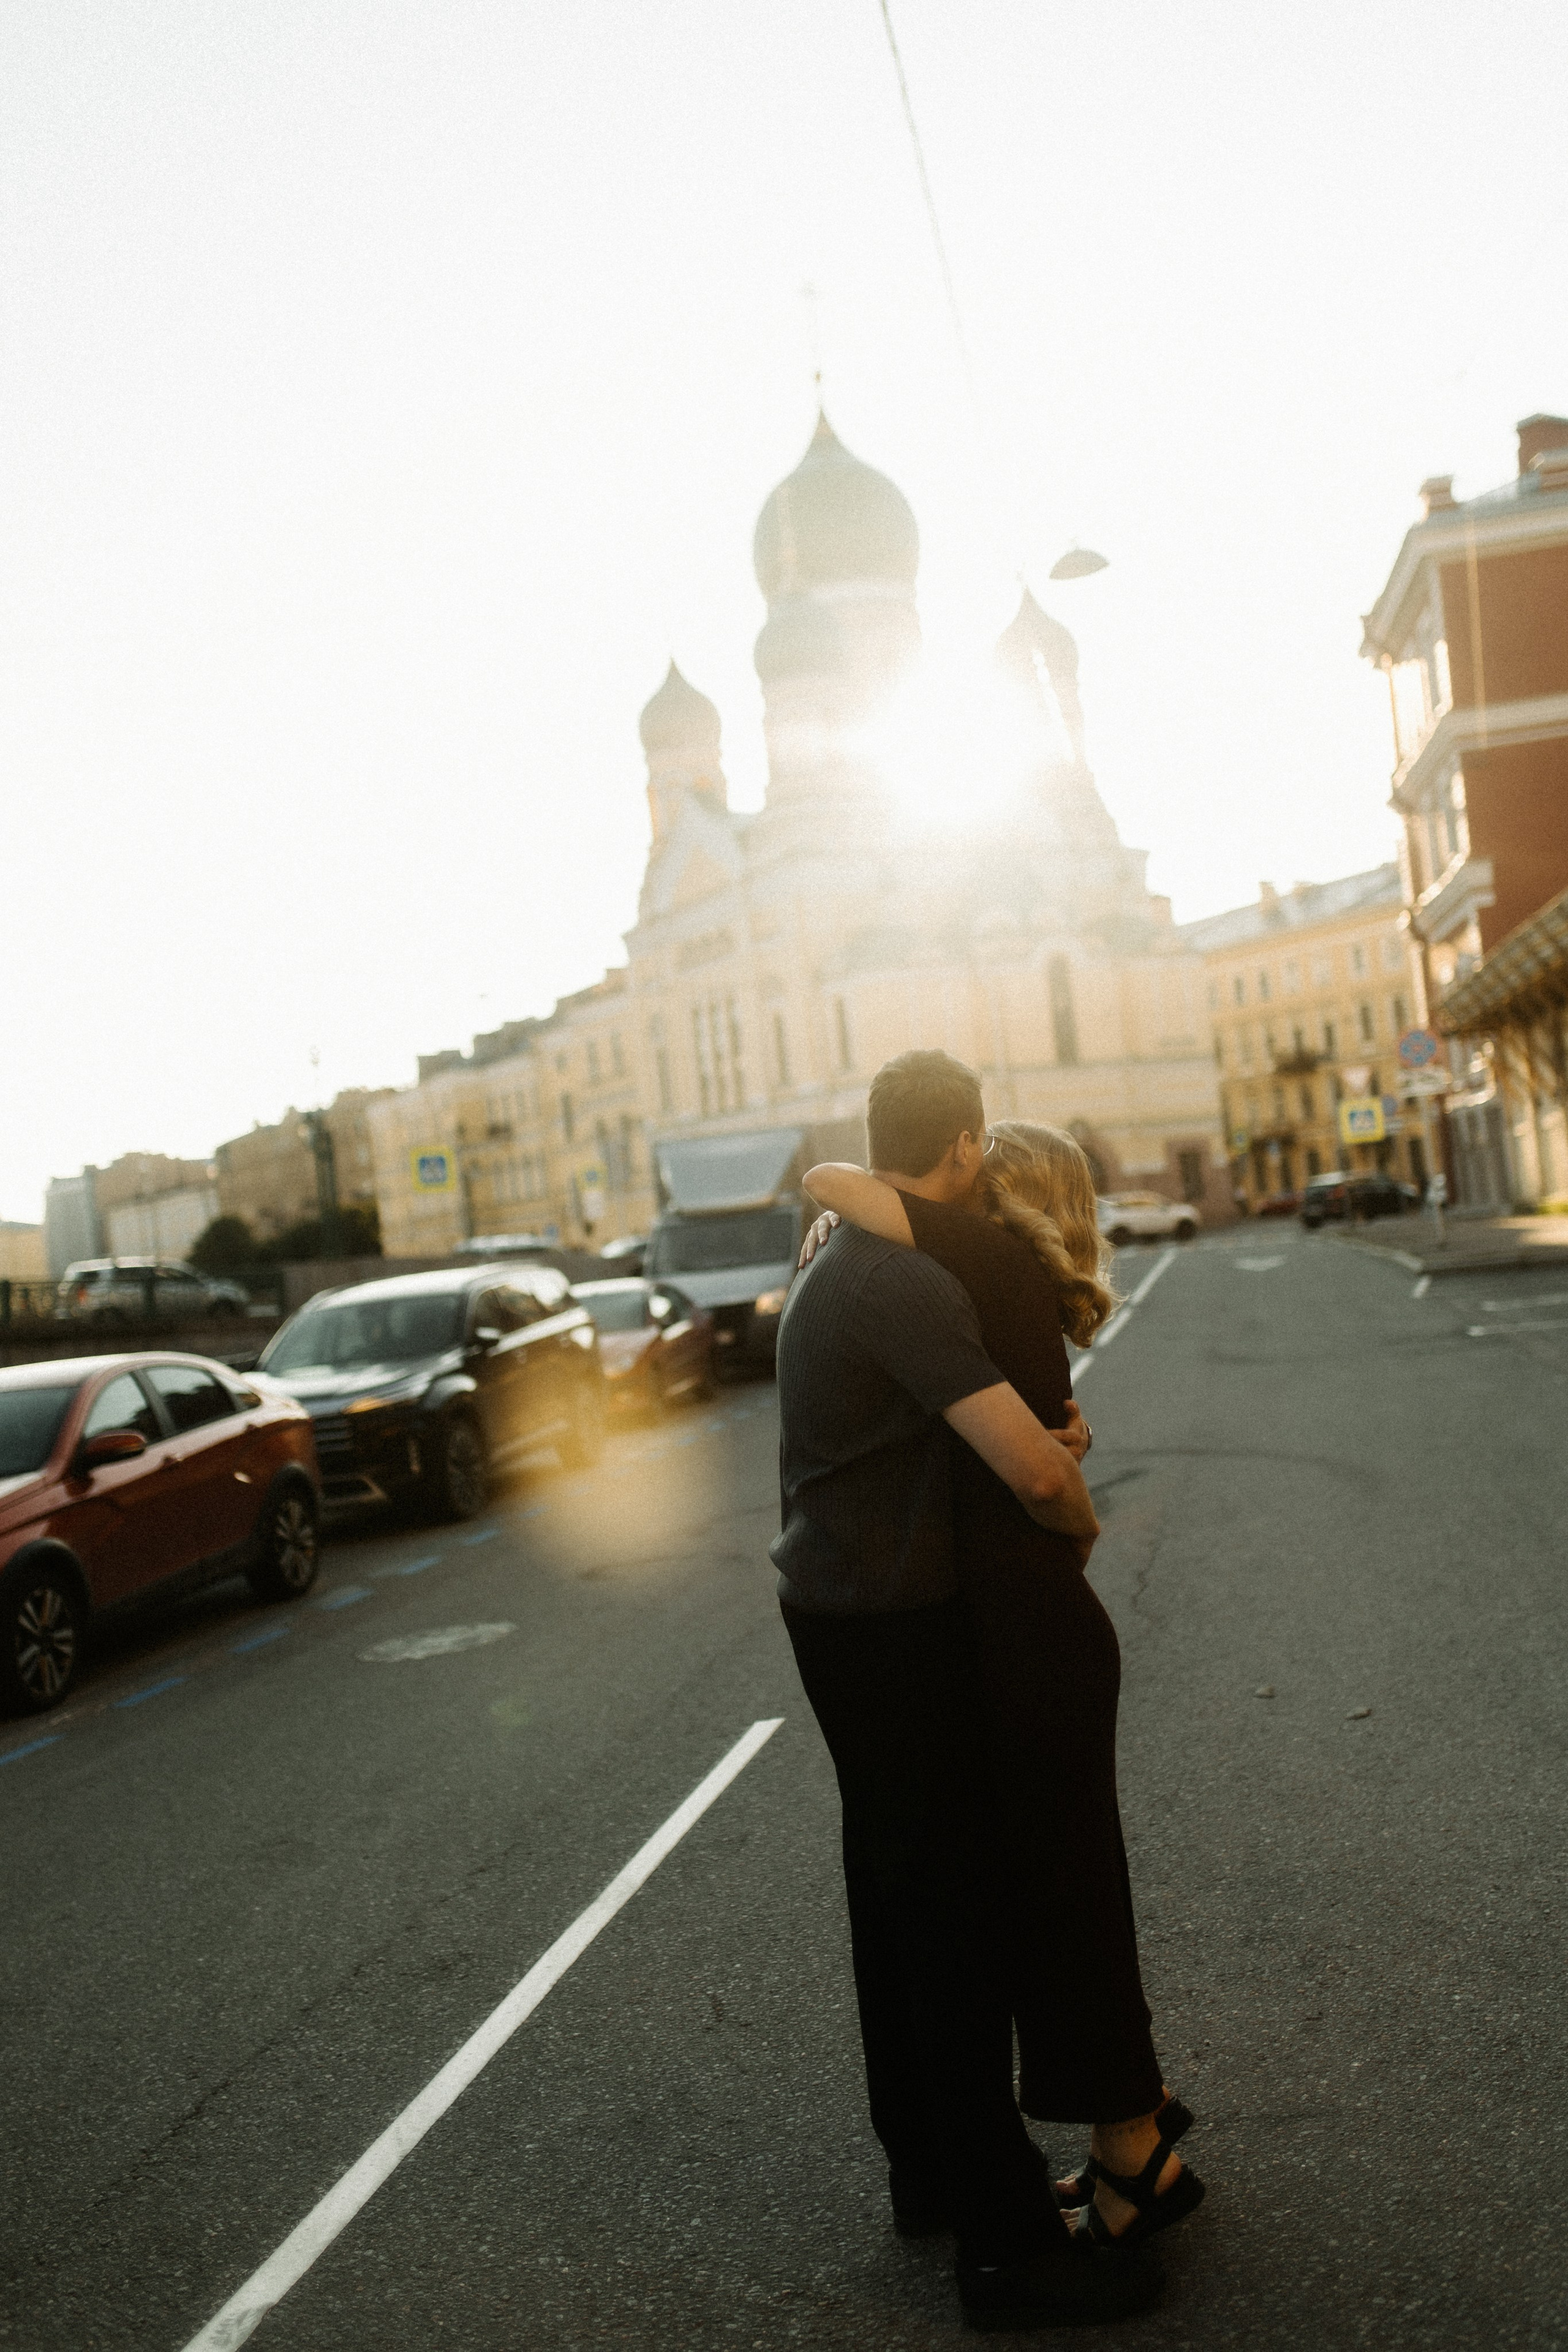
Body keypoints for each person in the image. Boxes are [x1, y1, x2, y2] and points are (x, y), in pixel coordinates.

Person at [772, 1051, 1164, 2331]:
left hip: (845, 1614)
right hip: (889, 1630)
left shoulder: (845, 1247)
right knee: (946, 1926)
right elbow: (1034, 1479)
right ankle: (1004, 2249)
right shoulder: (898, 1278)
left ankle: (932, 2180)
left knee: (896, 1908)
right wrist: (1072, 1504)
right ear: (960, 1149)